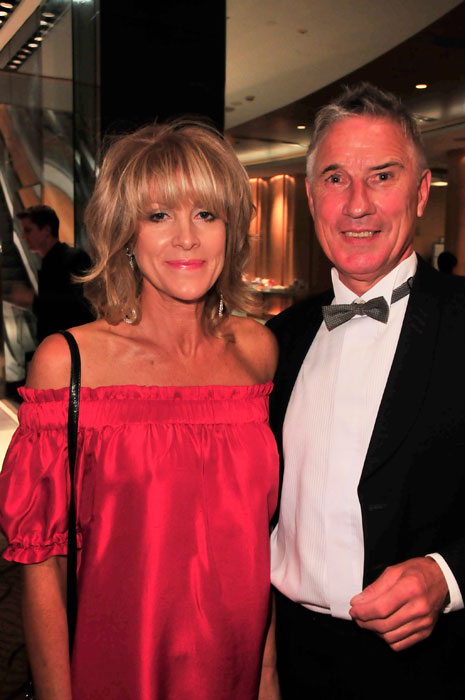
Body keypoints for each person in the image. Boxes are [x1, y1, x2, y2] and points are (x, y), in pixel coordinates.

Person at [0, 121, 279, 700]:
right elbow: (42, 566)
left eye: (206, 214)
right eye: (158, 216)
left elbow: (260, 547)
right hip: (119, 671)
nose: (187, 238)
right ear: (126, 233)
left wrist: (267, 682)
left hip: (235, 669)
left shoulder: (257, 352)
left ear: (230, 228)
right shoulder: (69, 364)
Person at [266, 83, 465, 698]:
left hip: (432, 668)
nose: (357, 204)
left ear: (421, 191)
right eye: (335, 178)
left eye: (382, 176)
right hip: (289, 657)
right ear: (310, 196)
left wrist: (447, 576)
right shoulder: (274, 342)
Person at [15, 204, 93, 341]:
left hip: (70, 346)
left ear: (46, 230)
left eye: (28, 230)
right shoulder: (50, 262)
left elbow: (79, 307)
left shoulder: (74, 259)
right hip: (60, 345)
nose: (23, 237)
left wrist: (33, 300)